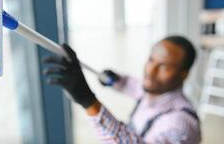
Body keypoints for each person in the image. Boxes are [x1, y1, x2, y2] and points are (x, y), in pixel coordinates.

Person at [42, 35, 201, 144]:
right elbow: (132, 85)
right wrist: (114, 80)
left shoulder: (181, 124)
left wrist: (89, 102)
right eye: (151, 60)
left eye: (164, 66)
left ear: (183, 74)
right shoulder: (156, 91)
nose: (150, 71)